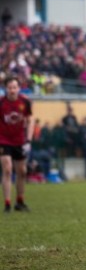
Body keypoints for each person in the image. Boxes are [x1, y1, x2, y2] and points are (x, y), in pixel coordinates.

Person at [0, 77, 34, 213]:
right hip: (3, 140)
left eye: (14, 87)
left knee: (22, 172)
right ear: (5, 88)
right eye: (10, 87)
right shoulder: (1, 103)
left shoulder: (25, 102)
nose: (12, 90)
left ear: (19, 88)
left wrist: (29, 141)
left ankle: (20, 201)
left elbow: (30, 120)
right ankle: (7, 203)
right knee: (7, 169)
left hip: (19, 141)